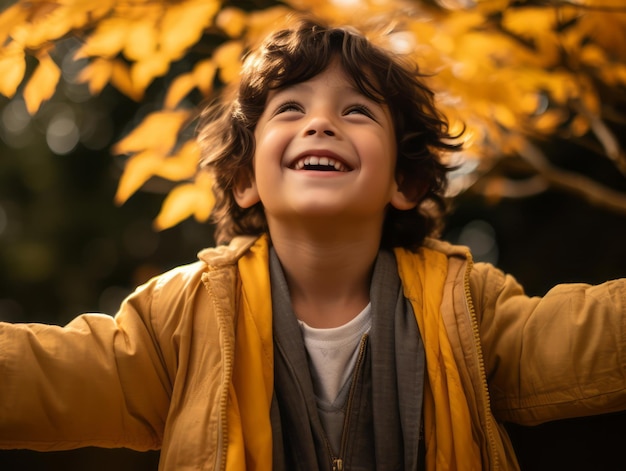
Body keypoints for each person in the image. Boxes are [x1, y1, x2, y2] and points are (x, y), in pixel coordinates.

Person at [1, 16, 625, 471]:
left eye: (357, 111)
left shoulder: (467, 306)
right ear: (245, 179)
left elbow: (590, 336)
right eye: (290, 109)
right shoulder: (183, 315)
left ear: (405, 181)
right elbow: (48, 375)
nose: (321, 121)